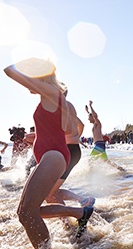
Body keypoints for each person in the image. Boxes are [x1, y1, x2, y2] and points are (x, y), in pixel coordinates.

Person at [4, 58, 93, 248]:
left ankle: (78, 213)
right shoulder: (55, 97)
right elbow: (68, 130)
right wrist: (39, 136)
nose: (29, 86)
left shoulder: (52, 92)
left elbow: (9, 71)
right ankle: (80, 213)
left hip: (54, 156)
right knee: (26, 212)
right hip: (53, 154)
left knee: (27, 213)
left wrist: (29, 63)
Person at [46, 92, 95, 209]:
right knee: (52, 191)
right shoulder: (69, 107)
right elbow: (81, 125)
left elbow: (65, 130)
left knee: (49, 194)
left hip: (68, 151)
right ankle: (83, 201)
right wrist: (76, 138)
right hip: (73, 150)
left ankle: (72, 219)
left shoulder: (59, 108)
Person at [86, 100, 125, 171]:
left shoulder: (97, 124)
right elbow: (92, 116)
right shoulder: (94, 125)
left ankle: (91, 173)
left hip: (99, 144)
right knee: (107, 161)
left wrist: (91, 106)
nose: (88, 119)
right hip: (99, 144)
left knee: (90, 160)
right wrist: (87, 111)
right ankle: (120, 169)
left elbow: (94, 116)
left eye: (89, 118)